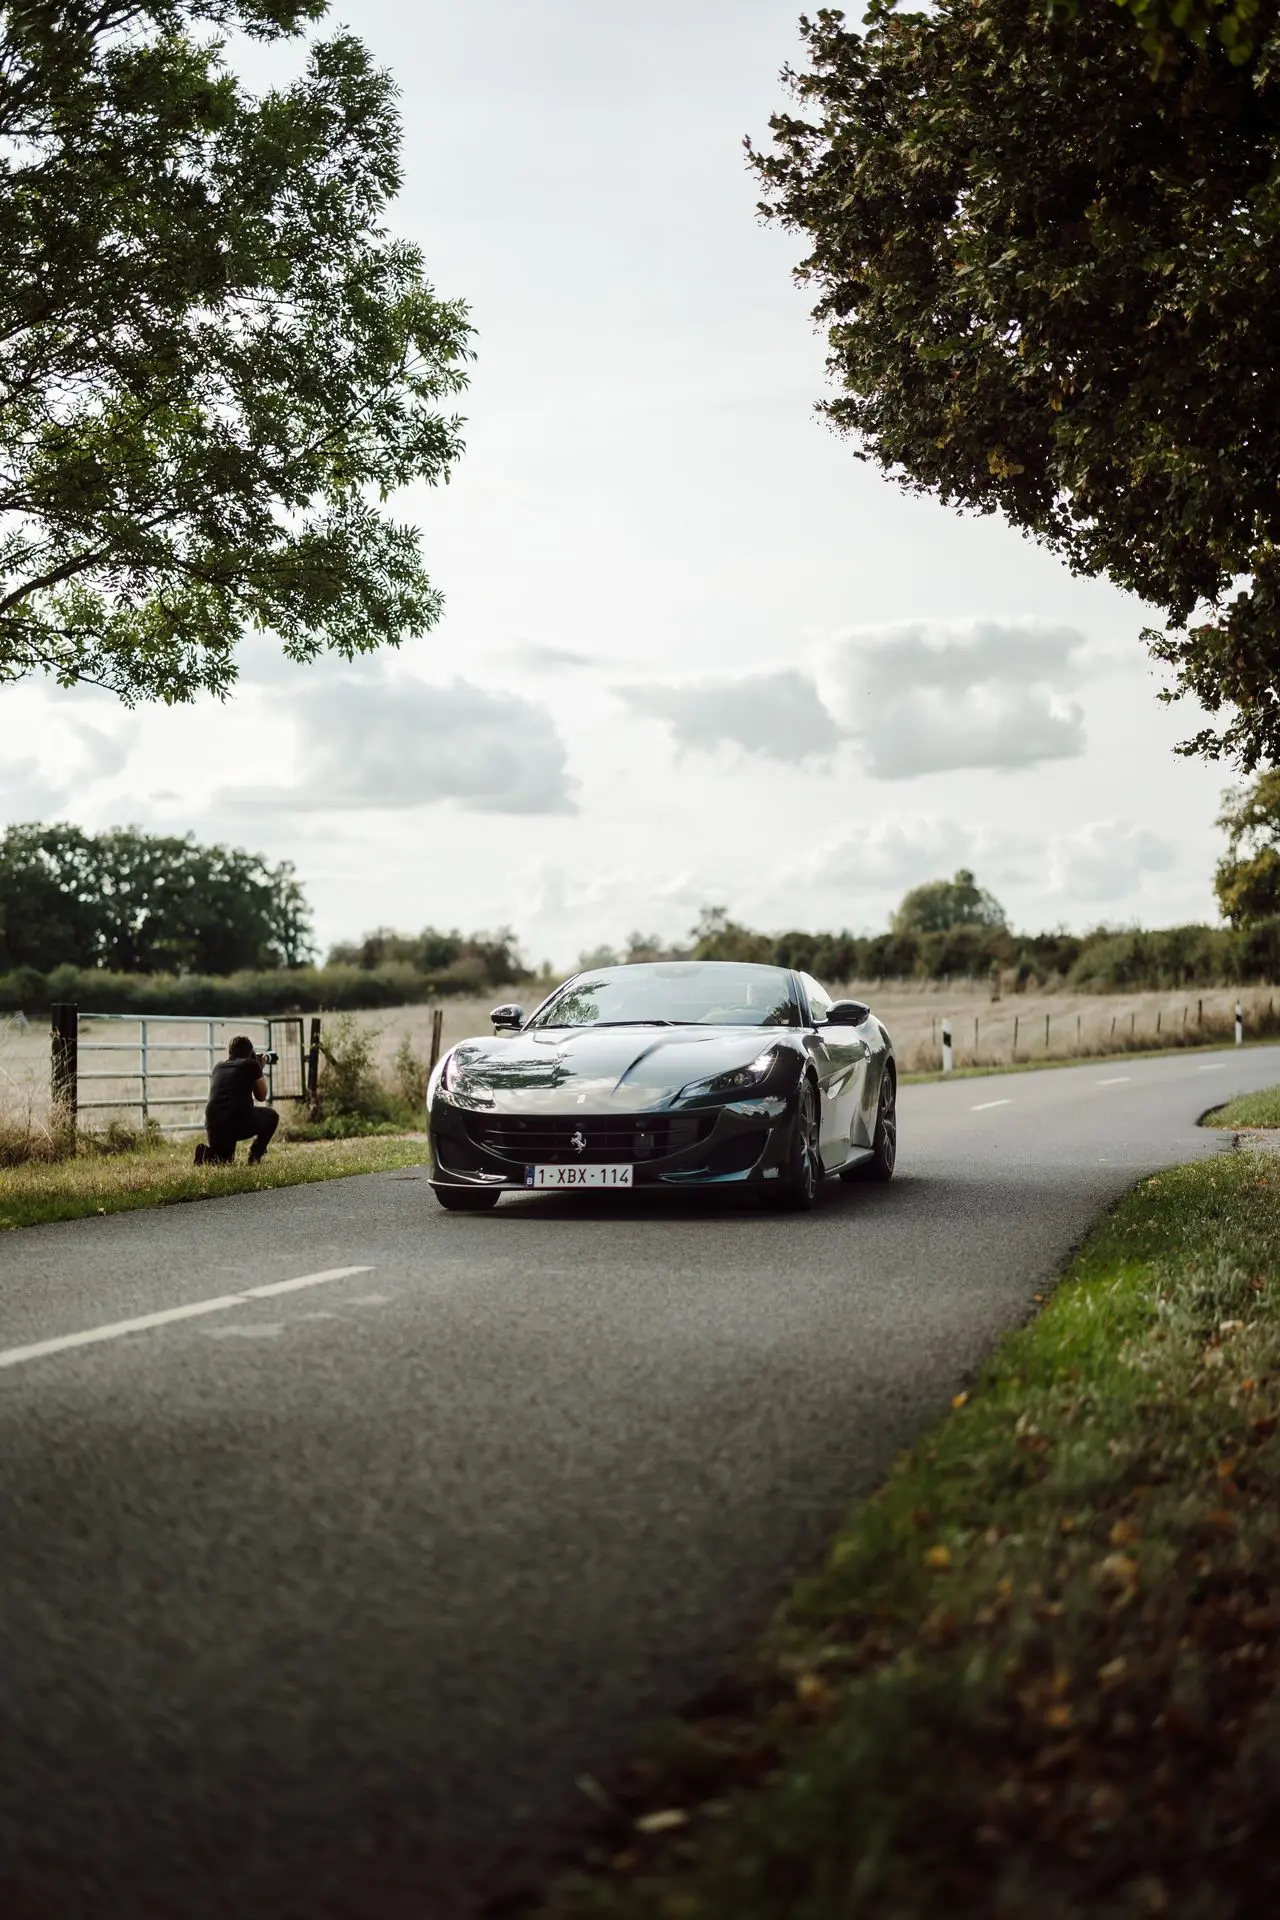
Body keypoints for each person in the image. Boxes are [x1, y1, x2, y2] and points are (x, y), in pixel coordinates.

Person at [196, 1035, 279, 1166]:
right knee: (272, 1116)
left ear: (230, 1052)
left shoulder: (218, 1067)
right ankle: (255, 1156)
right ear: (250, 1052)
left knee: (223, 1162)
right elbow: (262, 1096)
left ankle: (205, 1154)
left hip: (213, 1122)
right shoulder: (251, 1065)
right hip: (236, 1121)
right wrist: (259, 1068)